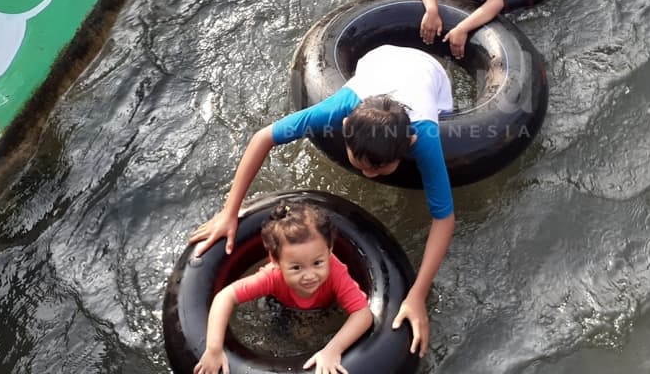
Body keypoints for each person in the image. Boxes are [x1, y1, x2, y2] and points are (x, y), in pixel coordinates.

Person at [188, 44, 455, 357]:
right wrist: (229, 213)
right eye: (361, 164)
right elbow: (263, 137)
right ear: (344, 127)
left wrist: (417, 294)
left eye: (379, 168)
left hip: (429, 74)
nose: (369, 176)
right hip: (378, 59)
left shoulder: (423, 136)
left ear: (409, 143)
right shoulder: (341, 107)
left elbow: (444, 218)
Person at [193, 199, 372, 374]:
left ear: (329, 251)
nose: (310, 275)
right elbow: (224, 297)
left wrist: (333, 349)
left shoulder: (336, 272)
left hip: (328, 308)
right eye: (296, 267)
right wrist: (213, 349)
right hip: (282, 308)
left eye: (318, 262)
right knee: (280, 338)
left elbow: (362, 314)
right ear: (275, 260)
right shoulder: (271, 276)